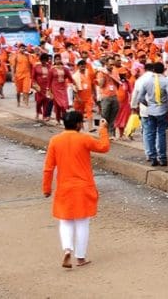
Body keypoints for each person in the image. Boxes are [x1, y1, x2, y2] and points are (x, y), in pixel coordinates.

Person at [42, 111, 110, 268]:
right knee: (82, 222)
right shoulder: (84, 139)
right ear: (79, 124)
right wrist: (103, 130)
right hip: (83, 187)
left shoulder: (55, 141)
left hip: (64, 187)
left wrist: (46, 188)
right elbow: (104, 147)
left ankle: (67, 249)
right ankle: (80, 257)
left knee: (65, 221)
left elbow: (48, 168)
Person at [131, 62, 168, 166]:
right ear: (163, 70)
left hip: (150, 110)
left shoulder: (146, 81)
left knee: (150, 133)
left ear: (153, 70)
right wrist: (167, 105)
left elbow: (140, 97)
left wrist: (149, 104)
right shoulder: (166, 81)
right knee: (162, 134)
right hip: (162, 110)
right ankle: (162, 157)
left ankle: (152, 156)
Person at [96, 57, 120, 137]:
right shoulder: (101, 72)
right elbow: (100, 85)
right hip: (105, 97)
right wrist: (104, 75)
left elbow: (118, 83)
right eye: (110, 65)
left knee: (113, 117)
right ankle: (103, 133)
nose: (112, 66)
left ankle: (111, 134)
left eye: (113, 64)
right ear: (106, 64)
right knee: (105, 116)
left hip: (114, 96)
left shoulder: (115, 72)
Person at [48, 53, 74, 125]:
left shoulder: (65, 69)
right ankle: (58, 120)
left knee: (63, 105)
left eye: (59, 59)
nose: (58, 60)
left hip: (63, 88)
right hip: (55, 89)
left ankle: (65, 119)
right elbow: (49, 81)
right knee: (57, 105)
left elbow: (70, 78)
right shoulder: (52, 70)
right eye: (56, 59)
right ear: (54, 60)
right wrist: (48, 90)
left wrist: (73, 84)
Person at [32, 53, 52, 121]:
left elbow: (51, 76)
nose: (43, 62)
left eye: (45, 60)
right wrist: (34, 85)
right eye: (42, 60)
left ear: (46, 60)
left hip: (47, 86)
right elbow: (33, 77)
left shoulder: (49, 66)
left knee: (46, 101)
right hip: (39, 86)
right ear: (40, 60)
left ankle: (44, 115)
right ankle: (37, 113)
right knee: (38, 101)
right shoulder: (36, 66)